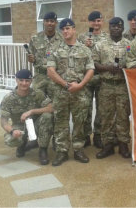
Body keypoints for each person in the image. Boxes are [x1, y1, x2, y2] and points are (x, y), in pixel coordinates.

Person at [47, 18, 94, 166]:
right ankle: (62, 151)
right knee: (61, 122)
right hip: (61, 93)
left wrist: (80, 85)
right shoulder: (54, 50)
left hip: (80, 93)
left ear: (74, 30)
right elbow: (50, 71)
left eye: (68, 28)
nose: (65, 31)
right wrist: (66, 85)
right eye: (63, 29)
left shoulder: (85, 49)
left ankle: (78, 149)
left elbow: (90, 69)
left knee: (79, 122)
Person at [92, 17, 131, 159]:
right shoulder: (100, 45)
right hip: (106, 85)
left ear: (122, 28)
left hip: (122, 85)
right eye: (113, 26)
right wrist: (107, 68)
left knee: (123, 116)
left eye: (119, 26)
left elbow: (133, 62)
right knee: (106, 116)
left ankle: (123, 145)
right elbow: (94, 63)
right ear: (109, 28)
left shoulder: (129, 44)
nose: (116, 28)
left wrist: (125, 68)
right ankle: (107, 145)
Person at [0, 69, 53, 165]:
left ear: (31, 81)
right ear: (16, 80)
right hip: (20, 128)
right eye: (21, 80)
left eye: (27, 81)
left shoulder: (37, 93)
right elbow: (4, 122)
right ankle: (22, 145)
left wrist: (32, 111)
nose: (24, 83)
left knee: (47, 117)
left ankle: (43, 149)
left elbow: (51, 108)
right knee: (10, 140)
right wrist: (12, 131)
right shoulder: (9, 98)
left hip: (35, 125)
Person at [78, 11, 108, 148]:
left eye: (99, 20)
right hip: (86, 77)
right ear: (89, 22)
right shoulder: (81, 37)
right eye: (94, 21)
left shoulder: (107, 37)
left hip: (101, 76)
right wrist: (85, 46)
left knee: (101, 107)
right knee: (86, 107)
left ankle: (98, 134)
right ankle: (85, 135)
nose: (96, 23)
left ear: (102, 21)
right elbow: (76, 54)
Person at [27, 11, 63, 99]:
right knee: (36, 101)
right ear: (43, 22)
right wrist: (30, 59)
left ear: (56, 23)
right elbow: (30, 55)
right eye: (47, 21)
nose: (49, 23)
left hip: (56, 77)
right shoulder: (35, 38)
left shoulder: (62, 39)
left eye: (52, 21)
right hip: (40, 77)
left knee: (56, 104)